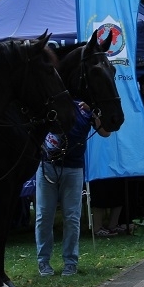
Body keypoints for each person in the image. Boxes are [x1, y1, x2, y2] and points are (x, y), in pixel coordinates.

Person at [35, 100, 112, 276]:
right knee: (44, 215)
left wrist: (93, 112)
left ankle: (70, 262)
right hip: (47, 165)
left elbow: (105, 133)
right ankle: (43, 262)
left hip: (74, 168)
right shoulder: (50, 104)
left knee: (72, 217)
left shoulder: (85, 108)